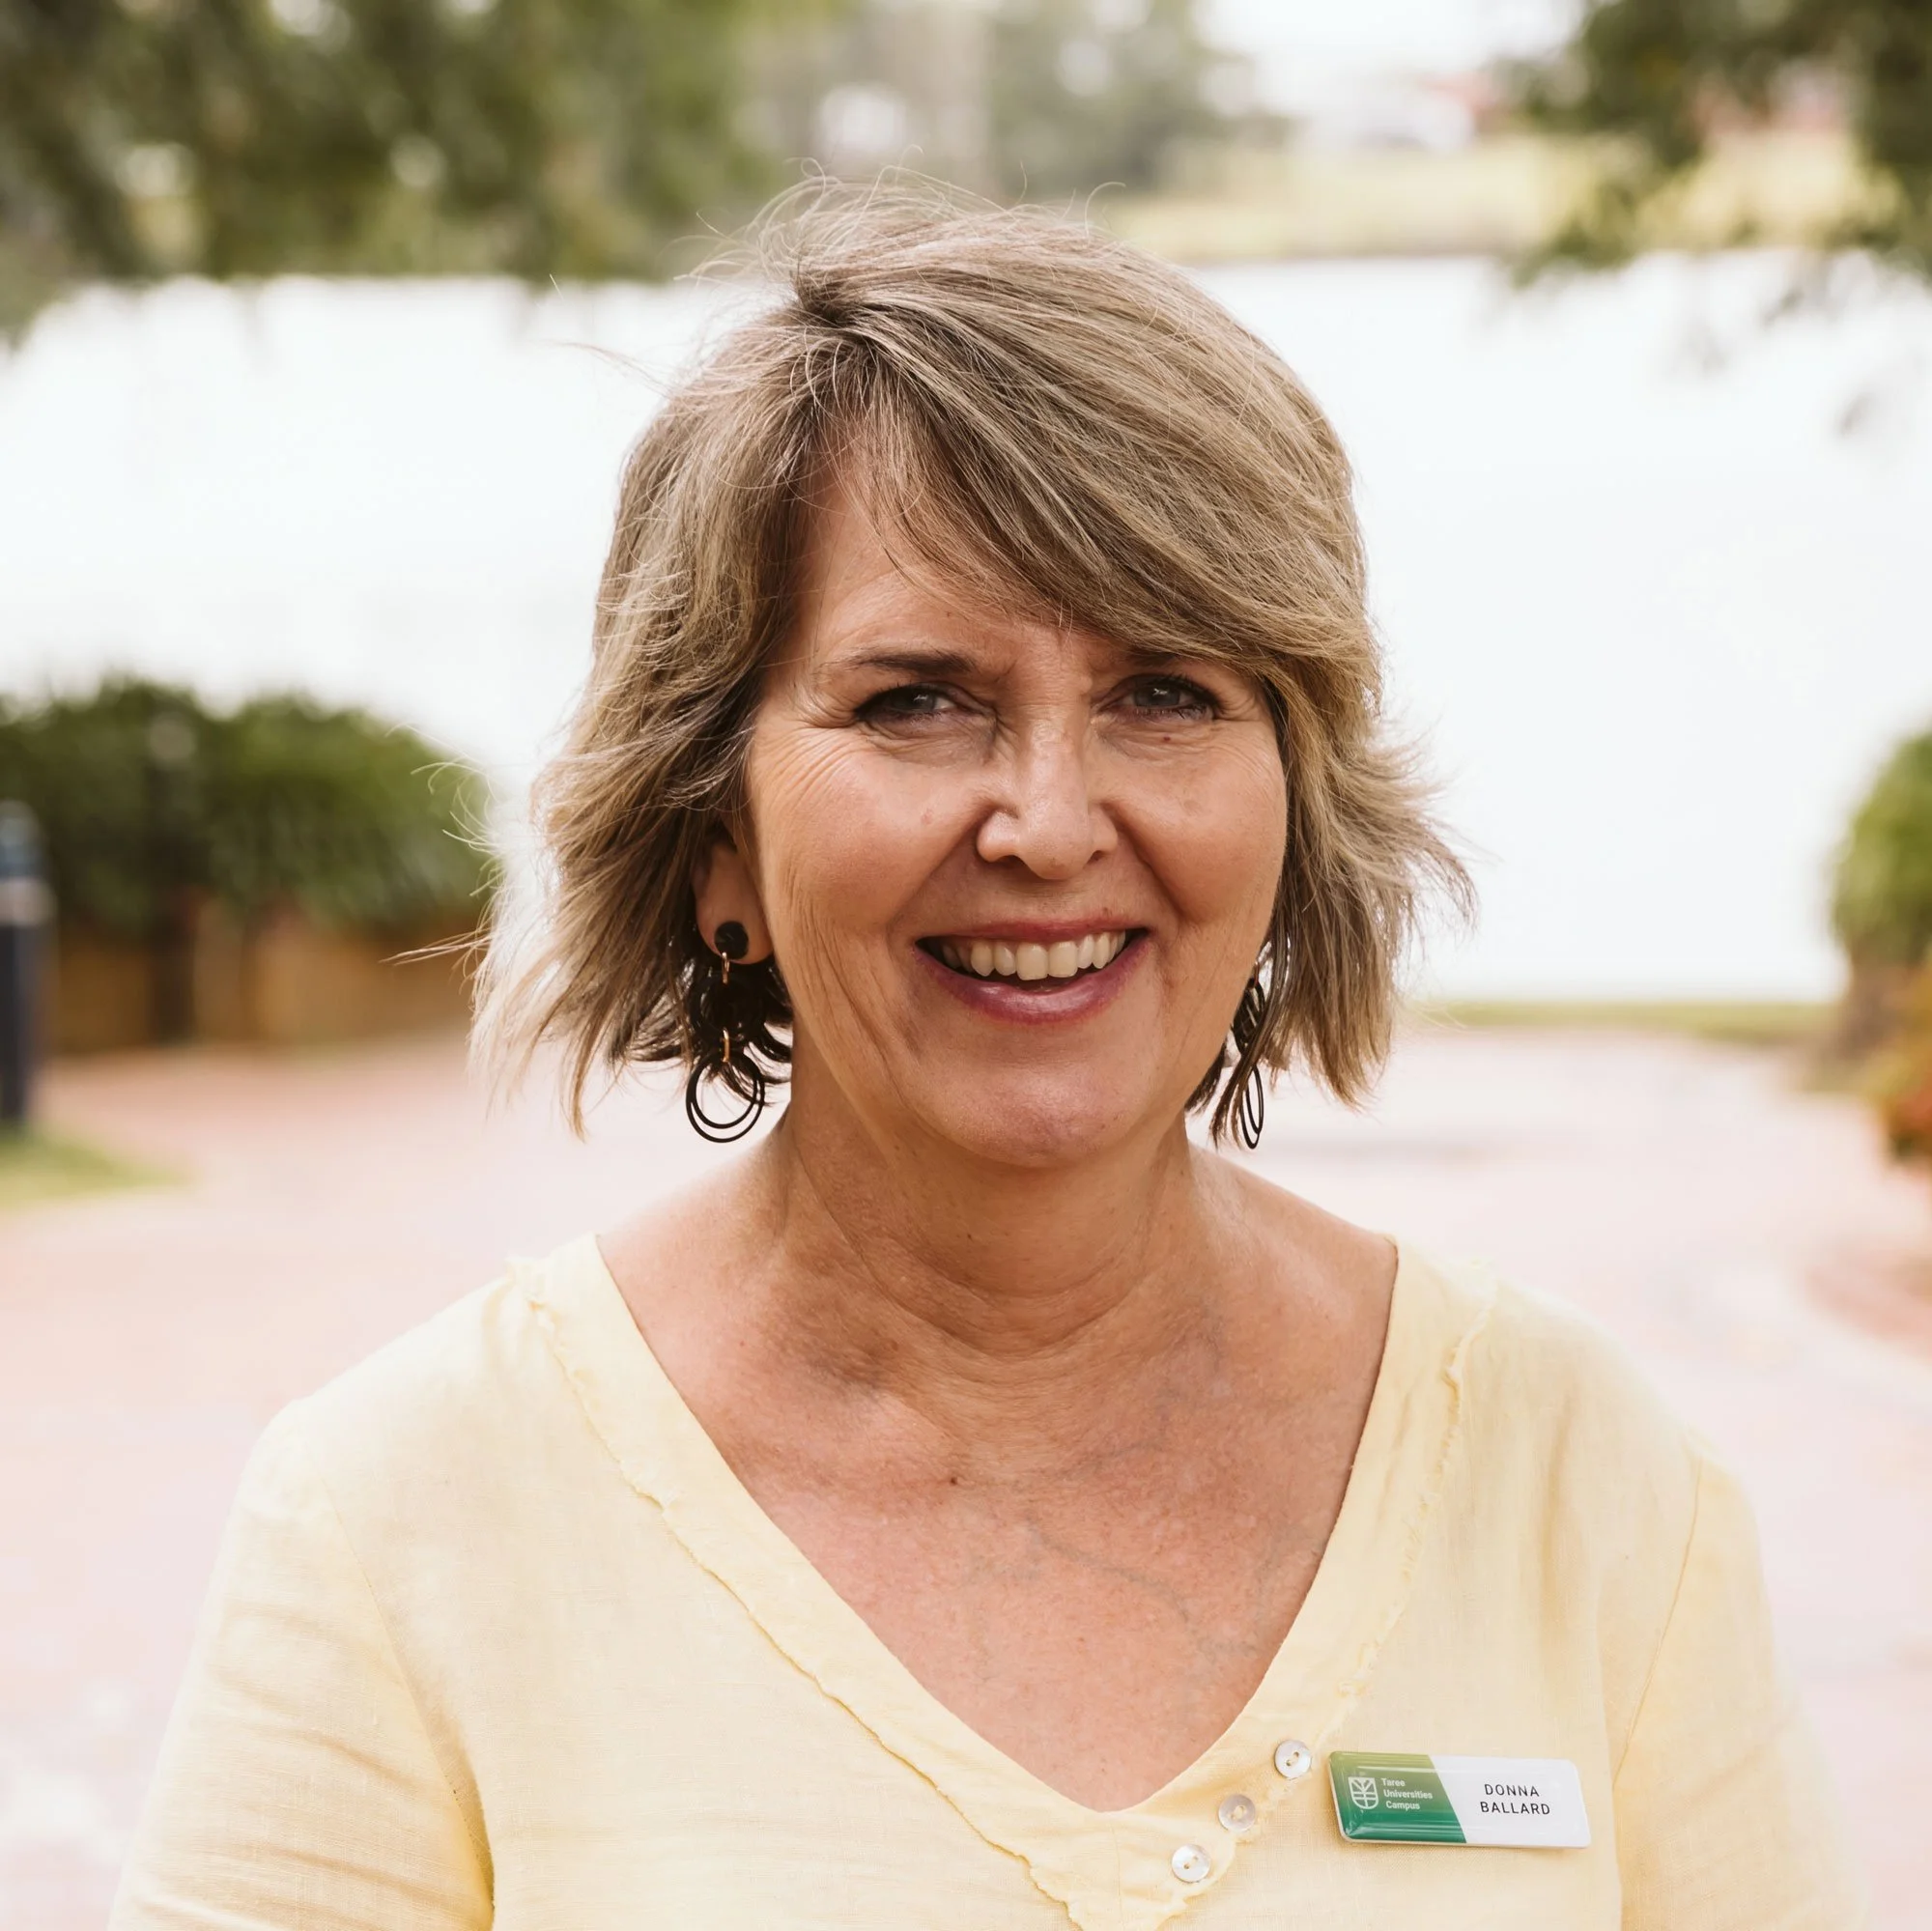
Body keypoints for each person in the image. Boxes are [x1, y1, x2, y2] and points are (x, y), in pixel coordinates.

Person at [112, 191, 1863, 1929]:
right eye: (917, 699)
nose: (1046, 820)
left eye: (1164, 692)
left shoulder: (1584, 1485)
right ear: (713, 830)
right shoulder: (402, 1519)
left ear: (1294, 800)